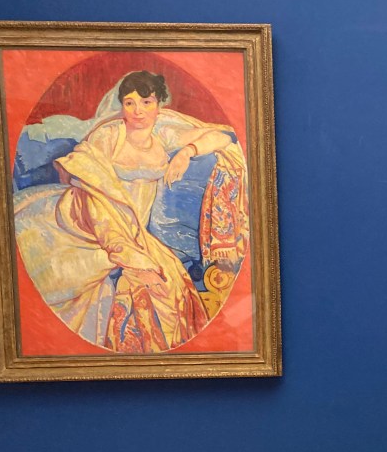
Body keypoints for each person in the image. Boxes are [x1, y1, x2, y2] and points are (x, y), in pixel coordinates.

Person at [13, 70, 248, 352]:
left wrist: (188, 151)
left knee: (170, 288)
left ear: (159, 104)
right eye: (130, 103)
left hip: (132, 229)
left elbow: (223, 138)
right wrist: (126, 252)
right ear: (122, 105)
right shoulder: (109, 135)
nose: (138, 111)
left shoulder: (163, 133)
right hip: (87, 221)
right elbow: (92, 195)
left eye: (146, 102)